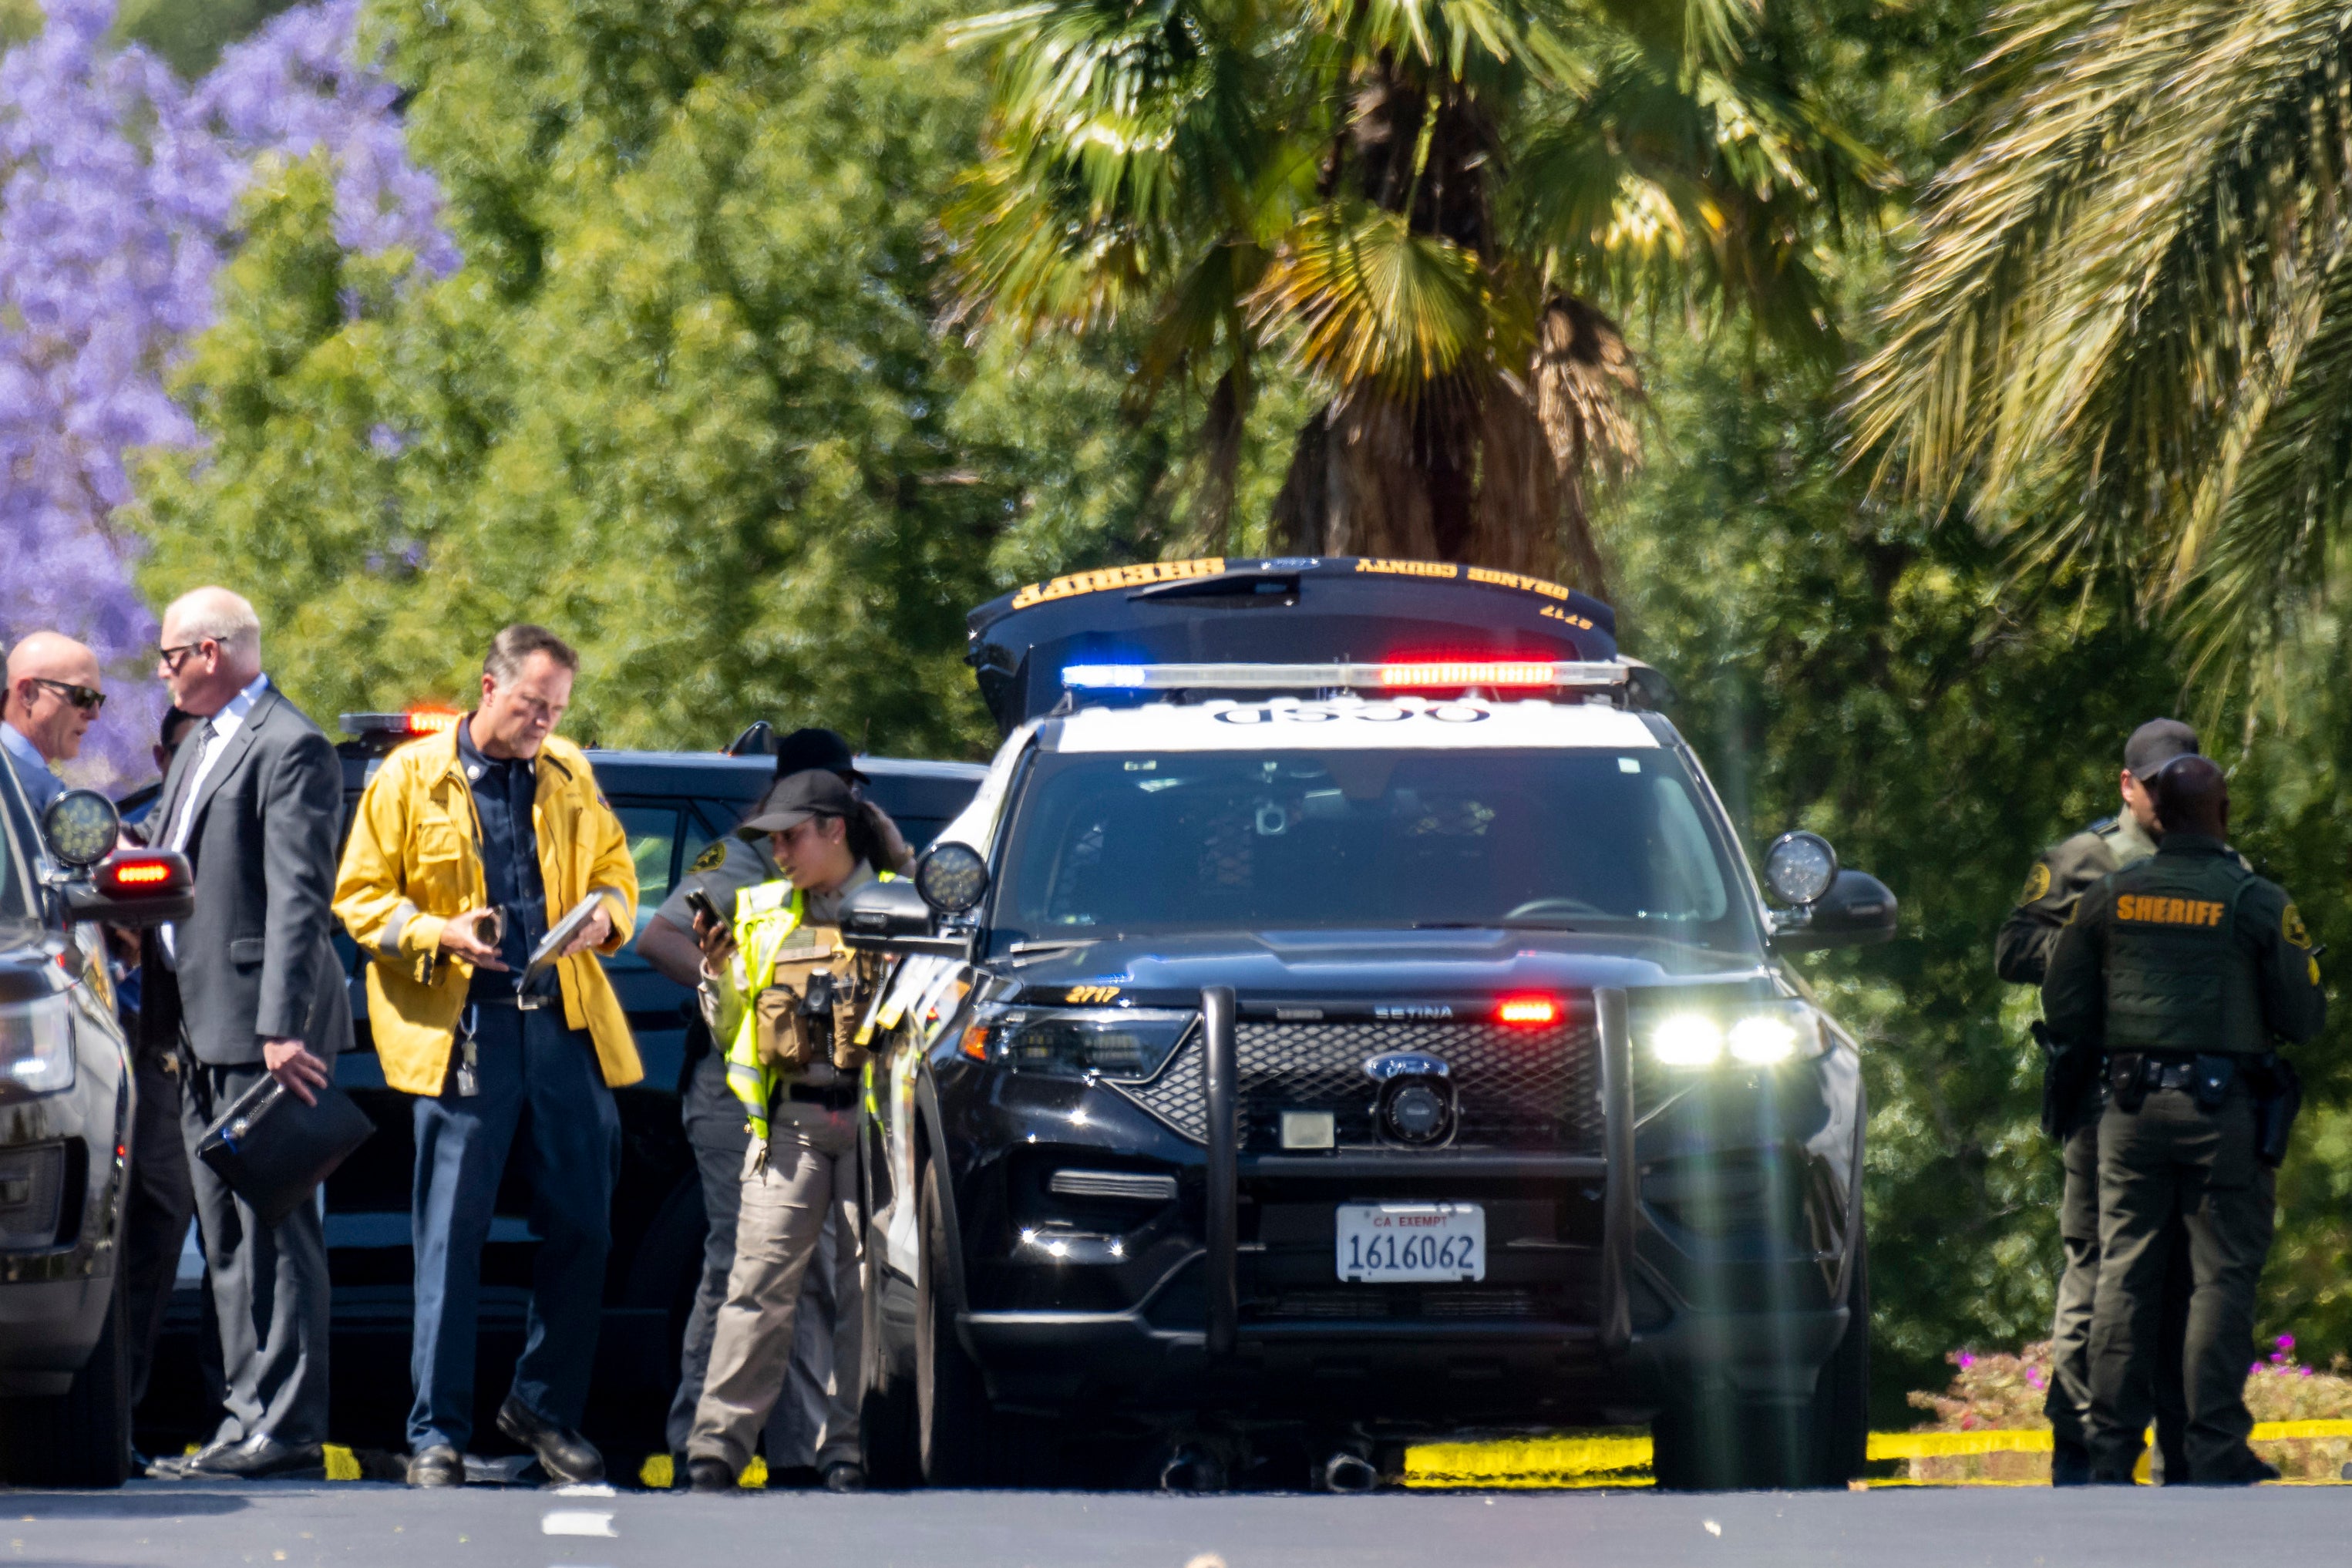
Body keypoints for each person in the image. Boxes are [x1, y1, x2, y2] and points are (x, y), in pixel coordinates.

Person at [333, 624, 640, 1489]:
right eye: (532, 703)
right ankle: (437, 1432)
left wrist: (609, 916)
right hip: (467, 1028)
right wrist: (439, 932)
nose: (545, 721)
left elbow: (617, 872)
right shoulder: (409, 777)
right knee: (451, 1237)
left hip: (563, 1021)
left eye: (557, 708)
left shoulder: (570, 770)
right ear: (488, 687)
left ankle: (544, 1408)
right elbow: (360, 900)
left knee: (584, 1226)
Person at [637, 728, 911, 1483]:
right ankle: (705, 1446)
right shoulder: (752, 877)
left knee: (845, 1279)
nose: (786, 844)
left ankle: (816, 1452)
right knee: (749, 1274)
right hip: (763, 1107)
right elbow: (670, 948)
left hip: (858, 1112)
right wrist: (732, 989)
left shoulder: (887, 892)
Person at [2042, 755, 2326, 1484]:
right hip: (2220, 1112)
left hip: (2127, 1111)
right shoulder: (2255, 901)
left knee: (2123, 1275)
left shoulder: (2107, 895)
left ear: (2157, 815)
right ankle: (2210, 1450)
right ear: (2223, 814)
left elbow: (2065, 1005)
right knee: (2220, 1277)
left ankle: (2108, 1453)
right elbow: (2303, 1016)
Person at [142, 588, 352, 1480]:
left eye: (169, 656)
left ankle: (290, 1424)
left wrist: (281, 1026)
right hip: (196, 1023)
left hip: (261, 1029)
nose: (161, 671)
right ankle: (242, 1415)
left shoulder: (289, 743)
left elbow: (302, 896)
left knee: (278, 1228)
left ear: (214, 650)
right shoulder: (202, 744)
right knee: (225, 1237)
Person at [1997, 718, 2202, 1485]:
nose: (2164, 797)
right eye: (2153, 784)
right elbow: (2014, 949)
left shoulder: (2217, 862)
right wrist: (2099, 937)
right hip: (2107, 1097)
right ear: (2127, 786)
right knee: (2099, 1267)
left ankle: (2185, 1445)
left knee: (2191, 1276)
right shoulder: (2086, 857)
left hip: (2201, 1105)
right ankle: (2080, 1441)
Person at [118, 705, 205, 1445]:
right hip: (153, 1053)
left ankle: (239, 1411)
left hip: (242, 1050)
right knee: (154, 1218)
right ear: (160, 754)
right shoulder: (134, 834)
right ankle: (124, 1410)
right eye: (189, 746)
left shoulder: (243, 814)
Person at [2, 630, 104, 814]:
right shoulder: (37, 793)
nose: (94, 714)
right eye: (84, 696)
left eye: (98, 700)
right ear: (28, 694)